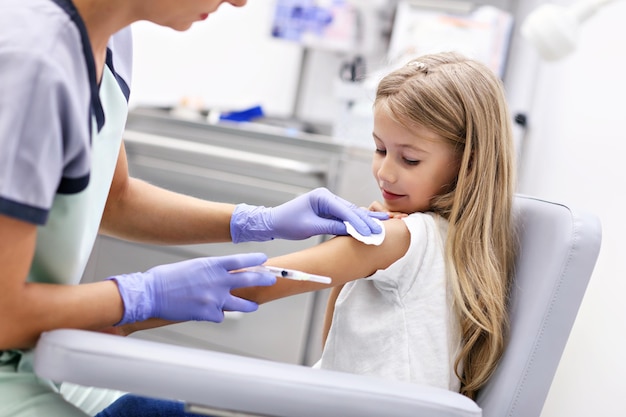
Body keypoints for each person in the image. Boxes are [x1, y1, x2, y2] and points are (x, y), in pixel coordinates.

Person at [0, 1, 386, 416]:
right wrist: (140, 297)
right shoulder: (33, 60)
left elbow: (113, 199)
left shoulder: (111, 41)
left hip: (33, 353)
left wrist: (258, 221)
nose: (240, 2)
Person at [97, 50, 518, 415]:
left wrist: (127, 317)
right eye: (379, 149)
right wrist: (351, 255)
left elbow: (260, 285)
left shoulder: (399, 237)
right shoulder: (467, 243)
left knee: (136, 409)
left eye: (409, 159)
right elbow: (334, 351)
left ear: (468, 161)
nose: (385, 172)